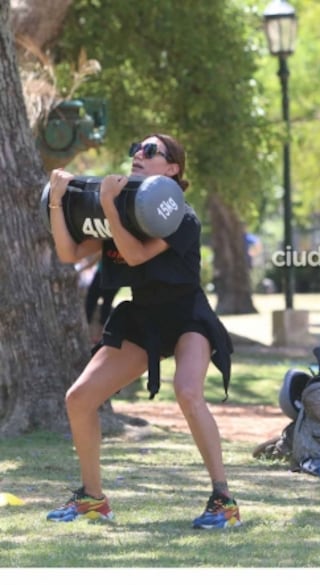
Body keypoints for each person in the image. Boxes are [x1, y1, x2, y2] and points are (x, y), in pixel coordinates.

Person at [45, 133, 240, 529]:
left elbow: (134, 254)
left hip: (186, 315)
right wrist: (57, 200)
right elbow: (69, 254)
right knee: (79, 398)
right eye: (137, 146)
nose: (138, 153)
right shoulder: (120, 207)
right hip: (142, 317)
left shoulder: (181, 215)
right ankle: (92, 499)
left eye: (151, 151)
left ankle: (224, 500)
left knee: (187, 392)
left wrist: (107, 207)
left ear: (172, 169)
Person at [83, 253, 120, 343]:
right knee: (92, 304)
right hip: (106, 275)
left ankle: (98, 336)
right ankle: (91, 334)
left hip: (112, 277)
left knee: (103, 306)